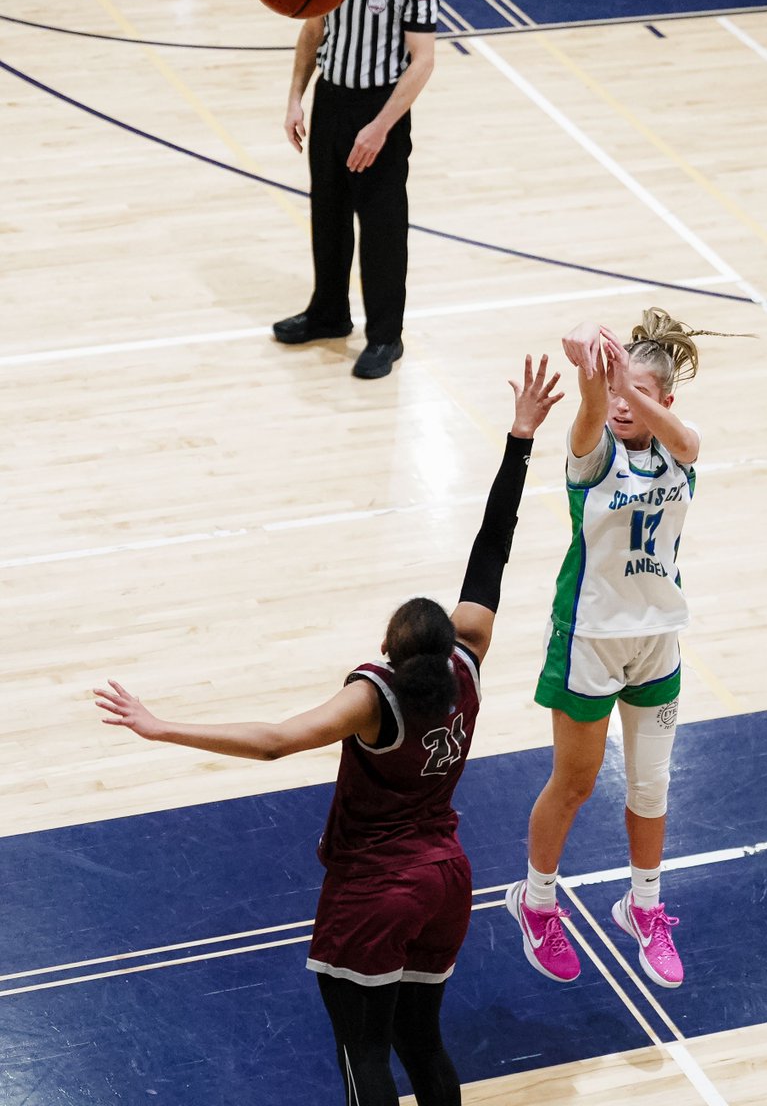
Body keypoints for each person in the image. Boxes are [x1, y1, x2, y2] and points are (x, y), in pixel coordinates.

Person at [95, 356, 564, 1106]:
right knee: (423, 1044)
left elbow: (274, 741)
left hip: (378, 890)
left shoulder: (373, 701)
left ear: (389, 652)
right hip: (447, 880)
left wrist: (160, 727)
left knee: (364, 1056)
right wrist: (519, 441)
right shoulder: (468, 664)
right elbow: (492, 549)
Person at [506, 308, 721, 991]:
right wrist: (595, 375)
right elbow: (592, 413)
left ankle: (644, 907)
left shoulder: (679, 453)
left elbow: (688, 441)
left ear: (663, 401)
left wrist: (628, 383)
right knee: (574, 783)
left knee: (652, 786)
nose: (622, 405)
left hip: (658, 639)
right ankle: (537, 901)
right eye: (618, 394)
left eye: (639, 395)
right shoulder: (595, 453)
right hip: (590, 640)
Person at [272, 0, 439, 380]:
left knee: (382, 229)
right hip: (331, 102)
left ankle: (385, 336)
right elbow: (313, 31)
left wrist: (381, 126)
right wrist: (295, 99)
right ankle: (328, 313)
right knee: (327, 216)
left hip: (381, 108)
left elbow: (423, 61)